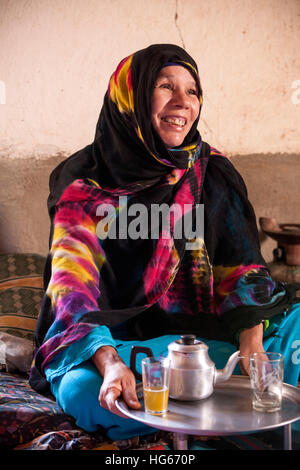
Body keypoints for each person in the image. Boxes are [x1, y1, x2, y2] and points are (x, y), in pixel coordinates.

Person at [29, 44, 300, 441]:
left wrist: (253, 351)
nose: (182, 102)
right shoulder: (82, 180)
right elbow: (73, 291)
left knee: (287, 357)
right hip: (124, 345)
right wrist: (110, 365)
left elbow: (241, 268)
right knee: (83, 393)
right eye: (165, 86)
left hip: (210, 340)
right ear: (133, 97)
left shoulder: (212, 171)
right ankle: (224, 425)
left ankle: (215, 418)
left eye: (192, 91)